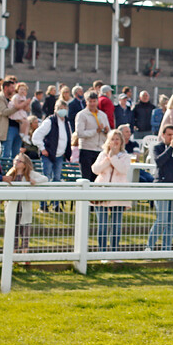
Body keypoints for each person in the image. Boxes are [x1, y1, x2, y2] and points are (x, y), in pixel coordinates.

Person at [92, 129, 132, 257]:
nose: (115, 142)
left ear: (121, 142)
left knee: (116, 225)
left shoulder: (125, 156)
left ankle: (114, 253)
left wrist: (114, 157)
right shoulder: (103, 155)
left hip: (118, 193)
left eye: (117, 139)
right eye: (112, 139)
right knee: (102, 225)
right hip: (102, 192)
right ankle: (102, 253)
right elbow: (95, 169)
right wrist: (108, 159)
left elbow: (123, 169)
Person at [2, 154, 48, 259]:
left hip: (24, 207)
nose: (16, 162)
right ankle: (13, 256)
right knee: (13, 231)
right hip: (12, 206)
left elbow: (45, 178)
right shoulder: (10, 174)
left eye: (19, 161)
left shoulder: (29, 174)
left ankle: (24, 255)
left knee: (25, 231)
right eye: (15, 160)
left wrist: (34, 181)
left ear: (24, 164)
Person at [32, 99, 72, 211]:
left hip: (60, 156)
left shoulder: (67, 123)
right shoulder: (49, 121)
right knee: (46, 178)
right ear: (56, 109)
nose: (63, 111)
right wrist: (42, 148)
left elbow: (68, 138)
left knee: (57, 180)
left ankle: (55, 205)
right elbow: (36, 136)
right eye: (60, 108)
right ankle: (43, 205)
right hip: (48, 155)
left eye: (65, 108)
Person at [75, 91, 110, 181]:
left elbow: (108, 131)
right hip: (87, 149)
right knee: (87, 177)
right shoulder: (81, 115)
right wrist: (95, 131)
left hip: (100, 149)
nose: (92, 104)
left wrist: (106, 131)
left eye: (94, 101)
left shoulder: (102, 115)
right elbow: (80, 133)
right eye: (90, 101)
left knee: (98, 178)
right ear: (86, 102)